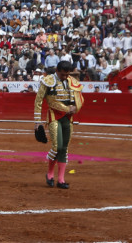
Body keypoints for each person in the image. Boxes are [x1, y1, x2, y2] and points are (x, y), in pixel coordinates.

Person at [34, 60, 84, 189]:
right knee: (57, 147)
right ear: (57, 71)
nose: (65, 77)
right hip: (54, 116)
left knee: (64, 148)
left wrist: (75, 107)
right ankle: (50, 174)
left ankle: (61, 179)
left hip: (68, 118)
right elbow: (38, 101)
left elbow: (78, 98)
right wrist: (37, 122)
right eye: (63, 75)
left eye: (67, 75)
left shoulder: (71, 81)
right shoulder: (48, 81)